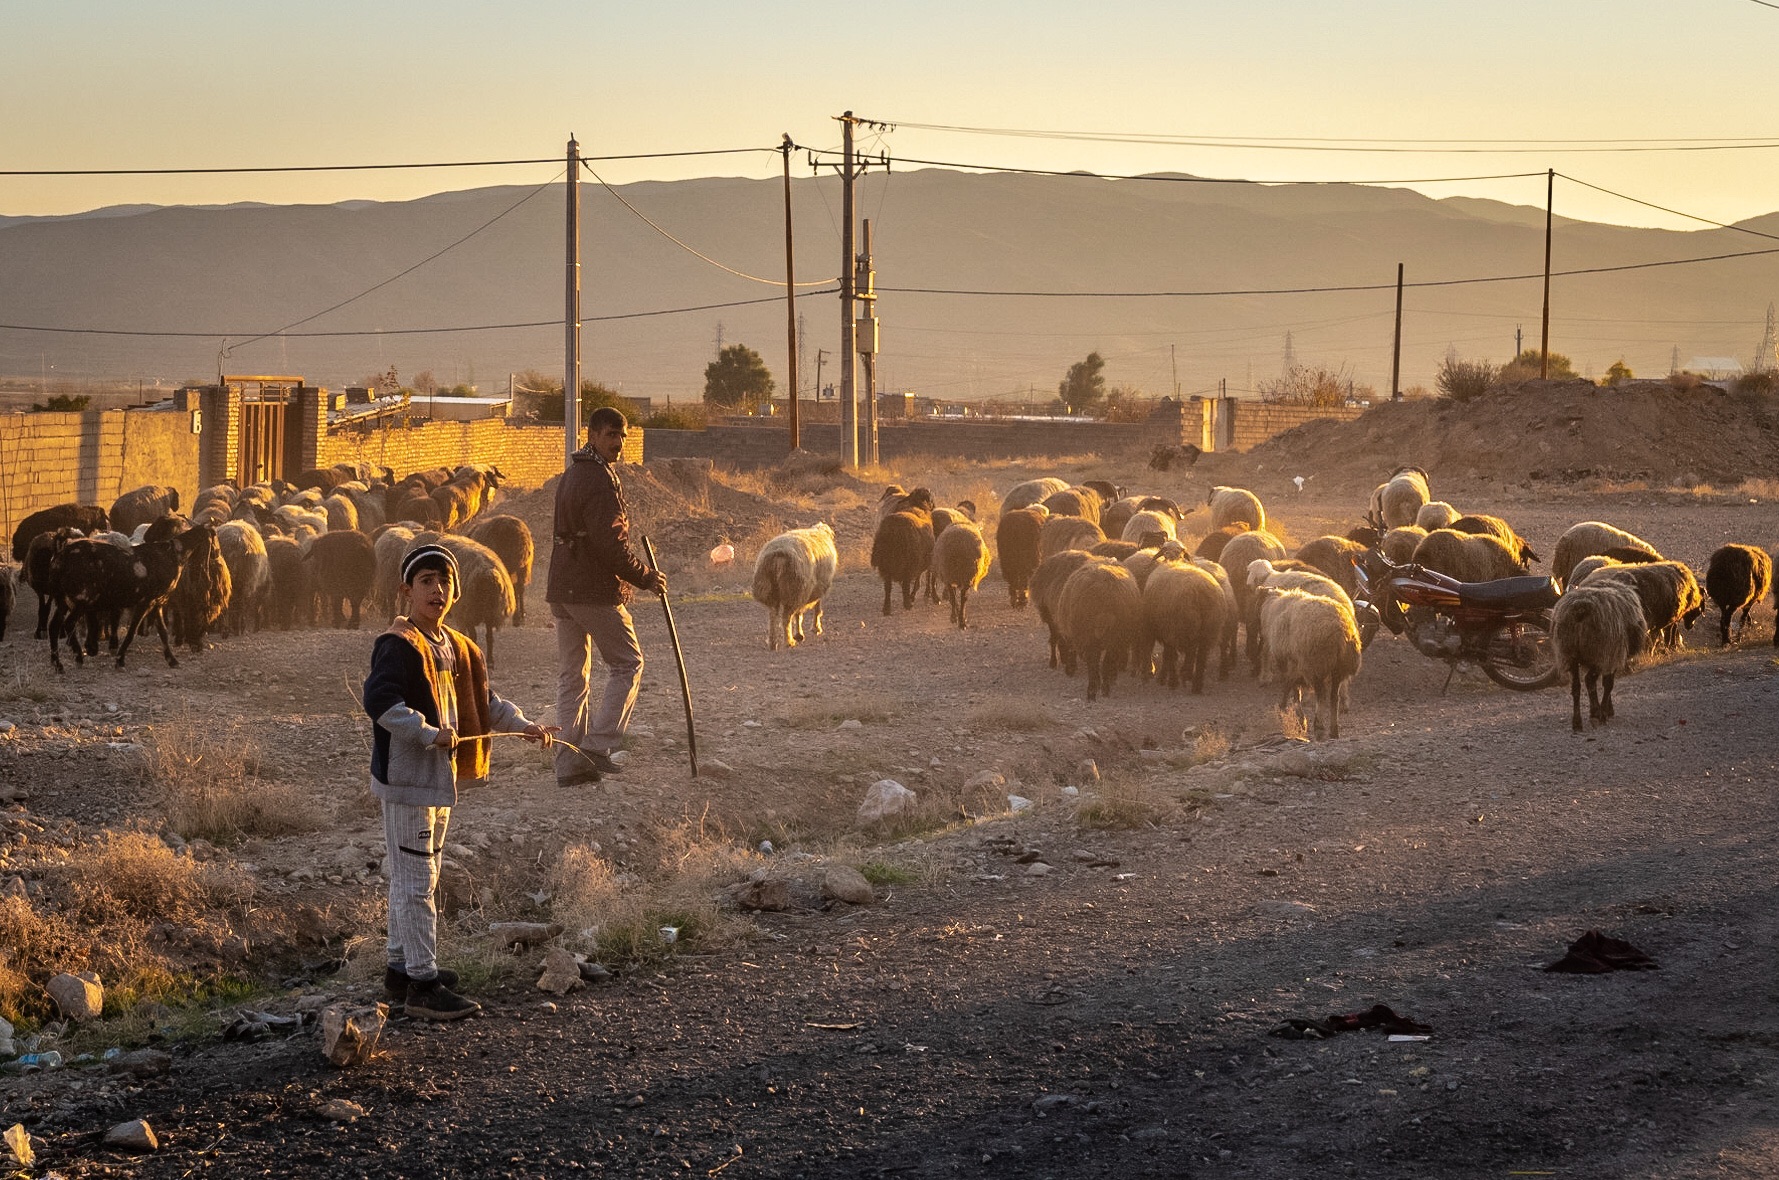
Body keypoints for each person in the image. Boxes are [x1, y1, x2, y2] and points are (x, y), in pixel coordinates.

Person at [363, 543, 557, 1020]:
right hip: (410, 780)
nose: (437, 589)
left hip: (439, 780)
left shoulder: (457, 645)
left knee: (412, 876)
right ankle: (424, 986)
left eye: (444, 581)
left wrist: (524, 725)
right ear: (406, 591)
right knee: (417, 880)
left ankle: (399, 970)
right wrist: (428, 735)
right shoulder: (398, 645)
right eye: (426, 581)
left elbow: (483, 701)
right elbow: (381, 703)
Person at [546, 405, 666, 787]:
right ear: (593, 435)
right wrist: (646, 576)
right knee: (628, 662)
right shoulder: (598, 478)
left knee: (573, 674)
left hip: (563, 585)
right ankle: (597, 747)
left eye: (622, 436)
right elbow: (610, 546)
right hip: (590, 588)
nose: (618, 443)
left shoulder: (572, 474)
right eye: (611, 435)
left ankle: (569, 761)